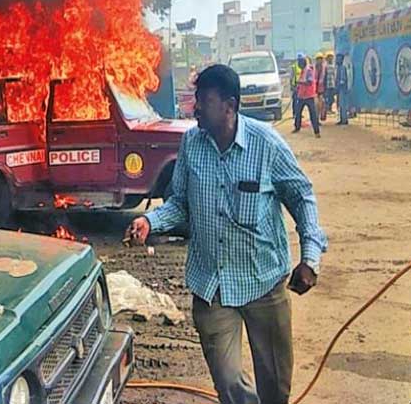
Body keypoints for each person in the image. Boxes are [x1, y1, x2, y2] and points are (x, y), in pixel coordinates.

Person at [125, 64, 327, 404]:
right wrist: (151, 221)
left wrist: (310, 258)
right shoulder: (191, 143)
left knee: (276, 387)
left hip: (263, 283)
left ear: (230, 105)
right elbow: (180, 203)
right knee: (228, 382)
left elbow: (302, 198)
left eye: (203, 99)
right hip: (211, 285)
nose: (195, 107)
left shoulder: (267, 146)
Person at [289, 53, 304, 119]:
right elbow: (291, 77)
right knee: (295, 100)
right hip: (295, 86)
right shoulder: (294, 66)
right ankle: (295, 113)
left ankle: (299, 113)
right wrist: (291, 86)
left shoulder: (303, 66)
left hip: (301, 86)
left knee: (300, 101)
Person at [335, 53, 349, 125]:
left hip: (342, 90)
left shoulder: (342, 68)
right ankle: (342, 119)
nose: (336, 60)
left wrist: (337, 86)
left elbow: (342, 80)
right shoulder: (339, 68)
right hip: (340, 89)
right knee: (340, 105)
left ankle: (344, 120)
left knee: (343, 105)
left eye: (338, 58)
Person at [314, 53, 327, 121]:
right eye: (318, 59)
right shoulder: (314, 69)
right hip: (315, 90)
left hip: (322, 89)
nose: (319, 60)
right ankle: (317, 118)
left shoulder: (325, 68)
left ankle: (322, 115)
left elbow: (326, 79)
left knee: (322, 103)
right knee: (316, 105)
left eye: (321, 59)